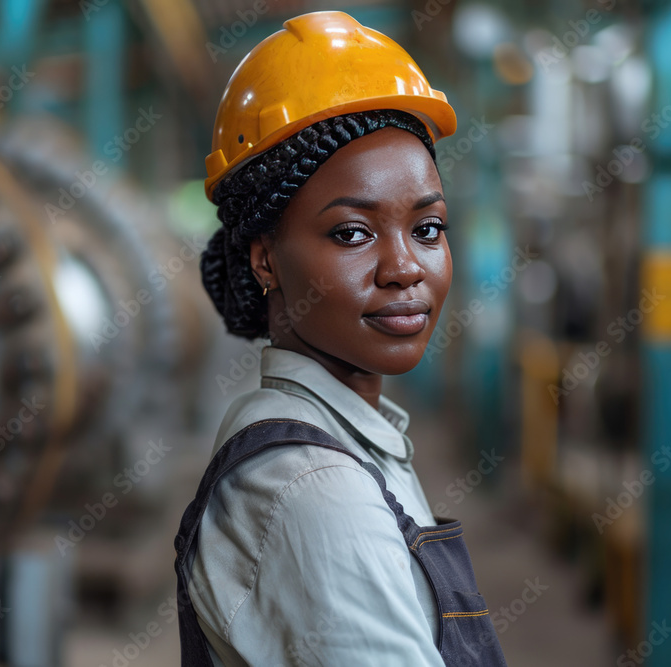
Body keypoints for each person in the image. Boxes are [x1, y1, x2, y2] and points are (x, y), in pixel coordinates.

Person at [173, 11, 507, 666]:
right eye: (352, 232)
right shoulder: (313, 487)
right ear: (265, 259)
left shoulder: (344, 440)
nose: (405, 267)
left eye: (428, 228)